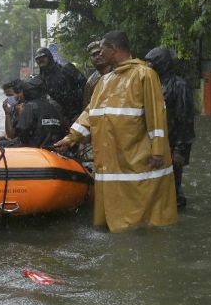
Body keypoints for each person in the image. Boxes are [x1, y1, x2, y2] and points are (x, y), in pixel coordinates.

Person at [54, 31, 177, 232]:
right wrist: (71, 137)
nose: (98, 54)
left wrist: (158, 150)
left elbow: (156, 114)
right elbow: (90, 113)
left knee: (143, 210)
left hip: (137, 154)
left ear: (115, 49)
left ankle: (141, 239)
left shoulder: (144, 74)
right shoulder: (105, 81)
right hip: (110, 156)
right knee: (116, 207)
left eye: (102, 50)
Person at [144, 46, 195, 211]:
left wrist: (180, 149)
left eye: (151, 62)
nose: (148, 66)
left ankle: (177, 212)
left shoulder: (179, 86)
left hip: (173, 144)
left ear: (161, 63)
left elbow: (186, 119)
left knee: (173, 183)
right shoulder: (151, 84)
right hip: (157, 144)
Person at [34, 47, 87, 125]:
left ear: (49, 57)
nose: (40, 60)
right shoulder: (41, 78)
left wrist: (83, 111)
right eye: (38, 59)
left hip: (77, 114)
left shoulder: (66, 69)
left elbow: (85, 85)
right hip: (58, 118)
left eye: (43, 57)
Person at [13, 75, 64, 148]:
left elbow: (20, 132)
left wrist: (20, 116)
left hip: (35, 150)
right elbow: (62, 129)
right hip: (52, 149)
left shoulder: (30, 106)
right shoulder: (54, 106)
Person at [0, 79, 23, 145]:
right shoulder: (13, 107)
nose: (9, 98)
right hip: (13, 138)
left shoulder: (24, 107)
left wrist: (7, 114)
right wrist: (3, 136)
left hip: (22, 142)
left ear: (20, 93)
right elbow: (10, 131)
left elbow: (12, 135)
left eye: (11, 95)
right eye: (7, 95)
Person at [83, 41, 113, 109]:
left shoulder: (119, 71)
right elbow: (86, 108)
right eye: (94, 55)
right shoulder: (90, 83)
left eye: (99, 53)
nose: (97, 57)